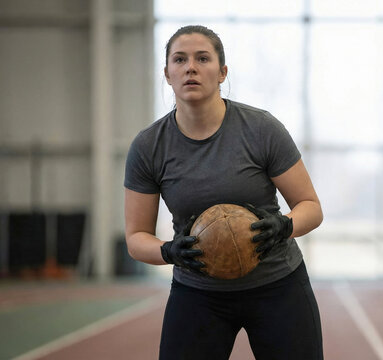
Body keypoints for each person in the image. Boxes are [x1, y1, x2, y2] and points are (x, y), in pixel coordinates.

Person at [124, 25, 324, 359]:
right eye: (180, 59)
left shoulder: (261, 130)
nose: (191, 67)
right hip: (198, 293)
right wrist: (170, 251)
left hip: (277, 286)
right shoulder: (149, 147)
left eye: (203, 58)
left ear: (222, 72)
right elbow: (135, 238)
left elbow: (311, 207)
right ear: (167, 74)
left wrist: (284, 226)